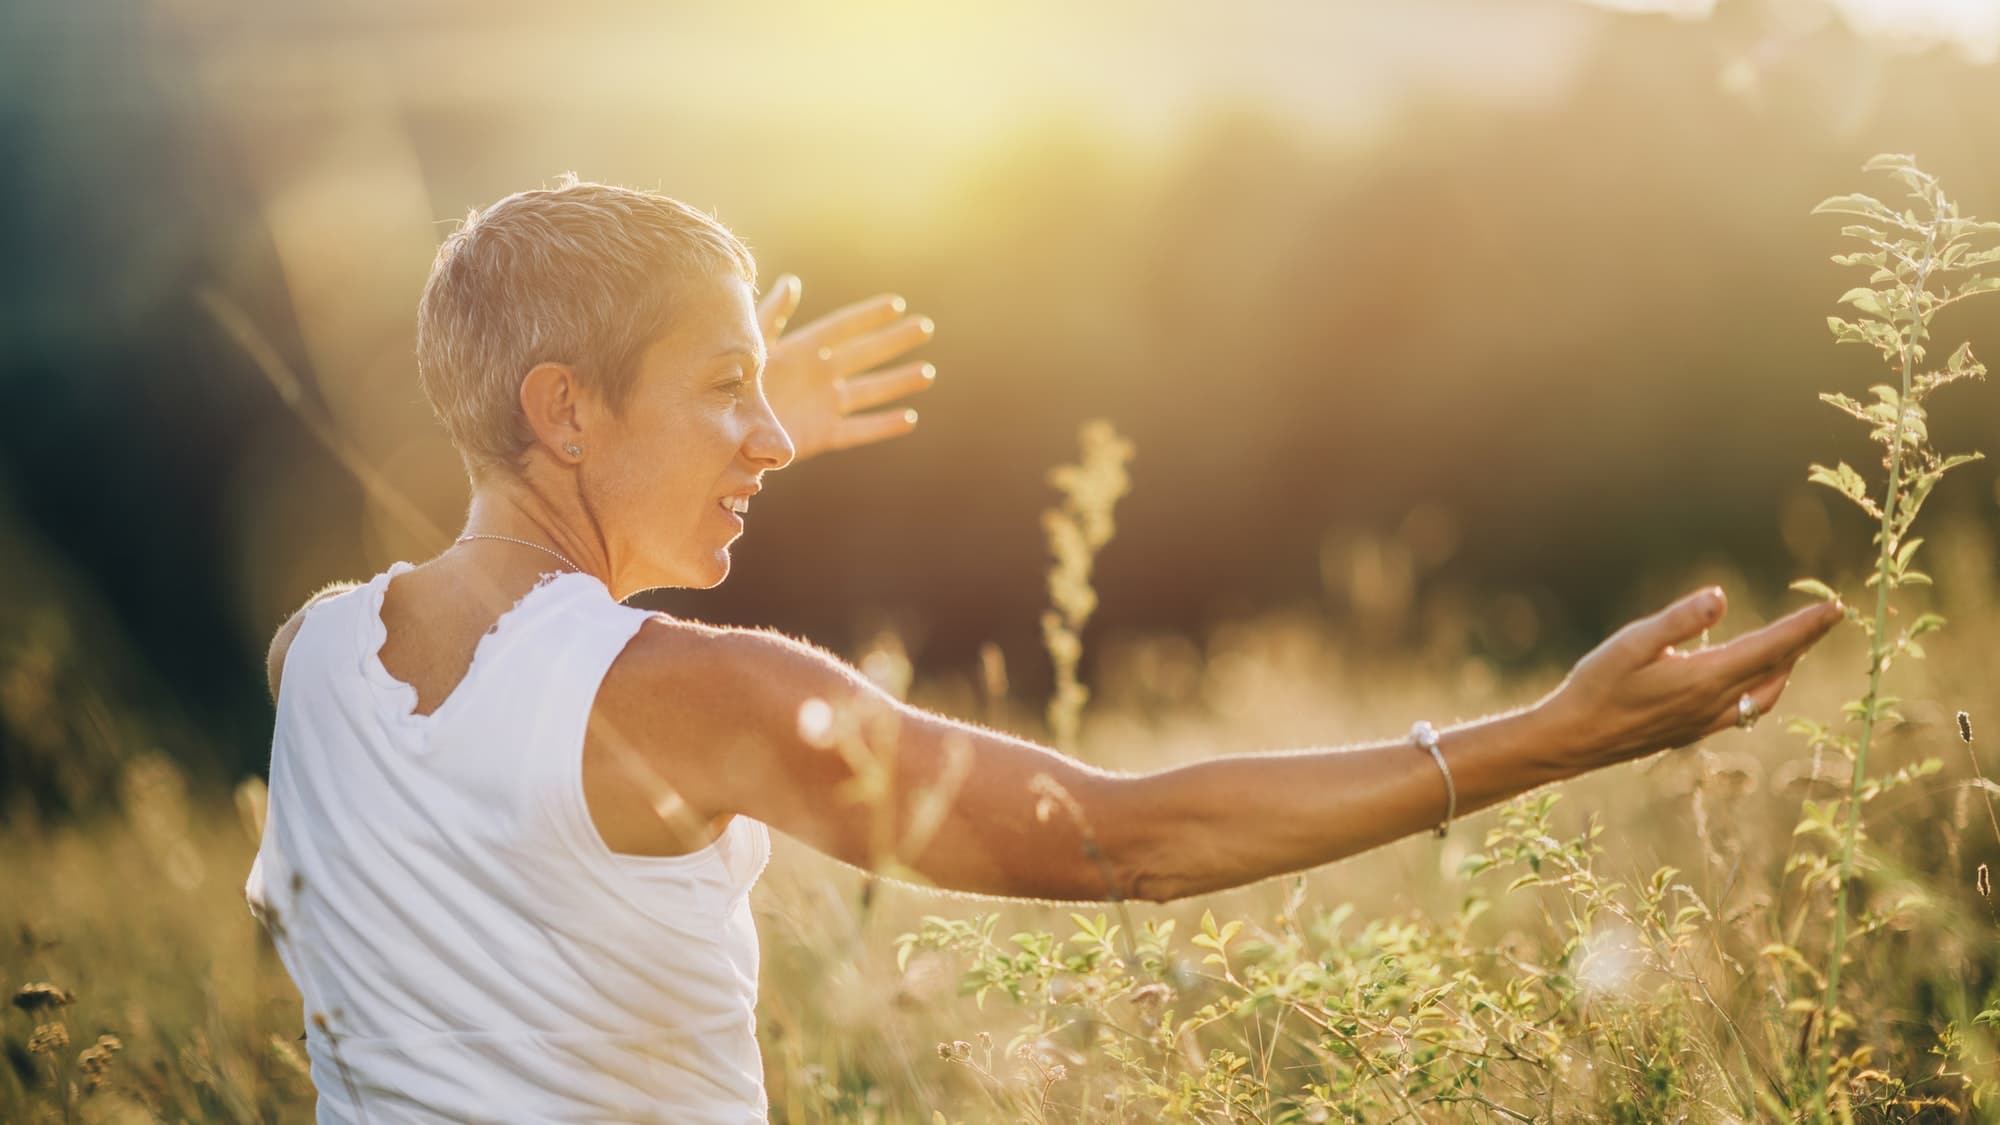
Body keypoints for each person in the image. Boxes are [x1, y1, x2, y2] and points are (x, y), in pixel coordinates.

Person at [247, 177, 1843, 1123]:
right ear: (562, 406)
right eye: (722, 388)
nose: (767, 435)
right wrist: (1552, 738)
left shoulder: (311, 659)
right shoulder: (708, 699)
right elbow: (1119, 841)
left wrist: (710, 415)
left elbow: (506, 577)